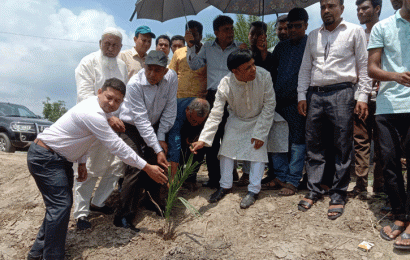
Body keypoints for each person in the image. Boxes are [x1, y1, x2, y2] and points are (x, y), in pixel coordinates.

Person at [26, 78, 166, 260]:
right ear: (99, 92)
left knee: (58, 207)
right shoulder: (93, 113)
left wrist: (82, 162)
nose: (112, 103)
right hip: (46, 158)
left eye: (118, 101)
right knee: (60, 206)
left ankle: (37, 253)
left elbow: (82, 137)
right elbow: (117, 146)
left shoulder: (99, 110)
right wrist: (147, 167)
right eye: (109, 97)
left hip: (58, 159)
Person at [297, 0, 371, 220]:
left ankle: (338, 194)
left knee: (341, 145)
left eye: (331, 6)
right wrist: (302, 94)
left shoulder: (354, 31)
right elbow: (305, 68)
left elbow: (364, 66)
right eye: (323, 7)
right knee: (314, 144)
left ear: (341, 8)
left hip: (343, 92)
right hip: (315, 94)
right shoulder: (313, 35)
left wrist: (363, 96)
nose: (326, 10)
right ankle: (315, 189)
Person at [191, 49, 275, 209]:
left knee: (258, 151)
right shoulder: (225, 83)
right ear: (235, 71)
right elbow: (216, 113)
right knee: (226, 150)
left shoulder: (264, 75)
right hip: (236, 120)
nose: (253, 69)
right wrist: (203, 139)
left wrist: (261, 132)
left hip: (259, 119)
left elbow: (270, 105)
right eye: (248, 68)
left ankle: (253, 190)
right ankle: (225, 186)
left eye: (253, 64)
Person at [114, 50, 178, 228]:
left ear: (165, 71)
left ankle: (151, 200)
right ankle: (124, 214)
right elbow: (140, 120)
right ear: (144, 66)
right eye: (149, 69)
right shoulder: (134, 84)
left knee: (157, 164)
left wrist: (161, 136)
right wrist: (157, 147)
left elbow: (171, 107)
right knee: (135, 165)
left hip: (155, 126)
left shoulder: (171, 78)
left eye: (158, 70)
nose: (152, 74)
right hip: (131, 126)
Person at [74, 27, 128, 230]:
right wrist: (108, 117)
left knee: (115, 167)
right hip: (91, 124)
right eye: (107, 44)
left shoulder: (122, 66)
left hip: (114, 126)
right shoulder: (87, 62)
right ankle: (81, 214)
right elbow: (85, 96)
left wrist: (118, 120)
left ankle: (98, 202)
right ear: (100, 43)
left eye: (115, 45)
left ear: (121, 47)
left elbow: (123, 96)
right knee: (88, 169)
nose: (111, 48)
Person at [368, 0, 410, 249]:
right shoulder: (382, 27)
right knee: (390, 164)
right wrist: (395, 76)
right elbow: (372, 68)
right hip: (387, 107)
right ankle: (399, 216)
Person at [186, 15, 246, 189]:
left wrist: (245, 53)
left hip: (235, 97)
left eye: (232, 28)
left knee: (231, 137)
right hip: (213, 97)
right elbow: (195, 65)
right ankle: (214, 178)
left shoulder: (239, 47)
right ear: (216, 32)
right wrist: (190, 46)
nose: (231, 33)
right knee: (212, 137)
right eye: (226, 29)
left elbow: (247, 69)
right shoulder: (207, 48)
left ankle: (231, 175)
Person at [267, 8, 310, 196]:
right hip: (278, 101)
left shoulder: (311, 44)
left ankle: (293, 180)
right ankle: (281, 176)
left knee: (297, 142)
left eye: (297, 26)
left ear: (306, 26)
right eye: (289, 26)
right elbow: (271, 71)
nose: (292, 30)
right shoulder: (280, 48)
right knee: (277, 141)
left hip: (299, 102)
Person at [244, 21, 289, 190]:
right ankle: (248, 174)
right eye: (253, 34)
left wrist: (263, 54)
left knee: (270, 139)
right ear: (249, 36)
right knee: (249, 140)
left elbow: (271, 75)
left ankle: (276, 175)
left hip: (268, 104)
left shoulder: (270, 55)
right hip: (248, 106)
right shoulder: (244, 54)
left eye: (259, 34)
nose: (255, 37)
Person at [349, 0, 384, 197]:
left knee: (382, 142)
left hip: (383, 95)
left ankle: (380, 184)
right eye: (358, 9)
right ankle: (361, 184)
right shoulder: (358, 34)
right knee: (360, 140)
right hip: (360, 95)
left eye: (365, 8)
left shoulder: (387, 31)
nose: (361, 12)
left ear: (377, 9)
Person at [168, 20, 208, 187]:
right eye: (189, 33)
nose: (192, 36)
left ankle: (190, 177)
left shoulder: (207, 52)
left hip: (201, 106)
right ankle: (176, 177)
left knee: (199, 143)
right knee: (179, 141)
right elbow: (170, 77)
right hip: (180, 106)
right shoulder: (179, 54)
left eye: (195, 33)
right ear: (185, 34)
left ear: (200, 35)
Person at [167, 98, 210, 191]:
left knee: (199, 149)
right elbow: (175, 145)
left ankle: (190, 179)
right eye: (193, 121)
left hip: (194, 132)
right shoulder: (175, 111)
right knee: (179, 150)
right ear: (187, 110)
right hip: (174, 128)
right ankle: (175, 178)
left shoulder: (206, 116)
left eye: (199, 122)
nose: (195, 124)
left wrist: (197, 137)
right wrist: (173, 176)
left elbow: (205, 131)